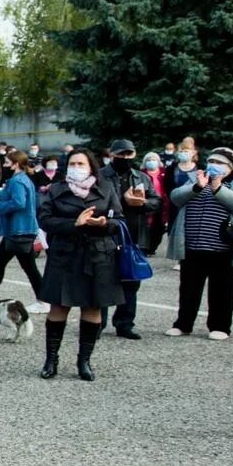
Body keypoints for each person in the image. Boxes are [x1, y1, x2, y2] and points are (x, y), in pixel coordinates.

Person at [37, 149, 123, 381]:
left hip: (98, 254)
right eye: (72, 163)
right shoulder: (56, 189)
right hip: (65, 254)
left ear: (91, 166)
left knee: (93, 308)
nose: (76, 167)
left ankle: (84, 361)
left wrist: (105, 223)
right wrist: (74, 223)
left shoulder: (105, 188)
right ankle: (51, 359)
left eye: (81, 163)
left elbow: (120, 220)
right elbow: (44, 220)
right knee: (59, 307)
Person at [166, 147, 233, 340]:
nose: (214, 166)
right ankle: (183, 324)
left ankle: (220, 326)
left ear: (231, 168)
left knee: (222, 289)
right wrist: (197, 187)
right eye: (212, 162)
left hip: (223, 248)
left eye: (220, 163)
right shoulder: (196, 179)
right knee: (188, 288)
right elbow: (175, 197)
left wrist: (219, 189)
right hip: (192, 246)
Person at [99, 139, 160, 339]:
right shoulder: (101, 176)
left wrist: (142, 203)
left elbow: (156, 201)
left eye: (129, 155)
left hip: (134, 236)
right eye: (121, 154)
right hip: (107, 234)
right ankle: (97, 323)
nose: (125, 158)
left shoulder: (140, 176)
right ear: (112, 155)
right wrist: (122, 200)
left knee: (132, 280)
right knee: (104, 280)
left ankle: (125, 323)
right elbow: (95, 201)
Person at [0, 150, 49, 313]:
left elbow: (19, 202)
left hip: (18, 230)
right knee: (0, 262)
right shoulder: (23, 179)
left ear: (15, 164)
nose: (5, 165)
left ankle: (43, 300)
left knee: (26, 267)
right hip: (19, 229)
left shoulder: (17, 181)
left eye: (7, 162)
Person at [163, 137, 200, 267]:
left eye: (187, 150)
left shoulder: (200, 168)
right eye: (182, 150)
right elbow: (167, 185)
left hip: (195, 203)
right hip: (176, 203)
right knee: (175, 228)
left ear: (194, 152)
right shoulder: (172, 168)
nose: (184, 153)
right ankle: (179, 257)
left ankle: (192, 256)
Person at [142, 151, 168, 255]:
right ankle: (147, 247)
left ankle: (153, 246)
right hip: (148, 203)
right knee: (148, 226)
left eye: (153, 160)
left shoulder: (164, 173)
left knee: (159, 227)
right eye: (148, 160)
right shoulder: (141, 174)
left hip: (163, 204)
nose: (151, 162)